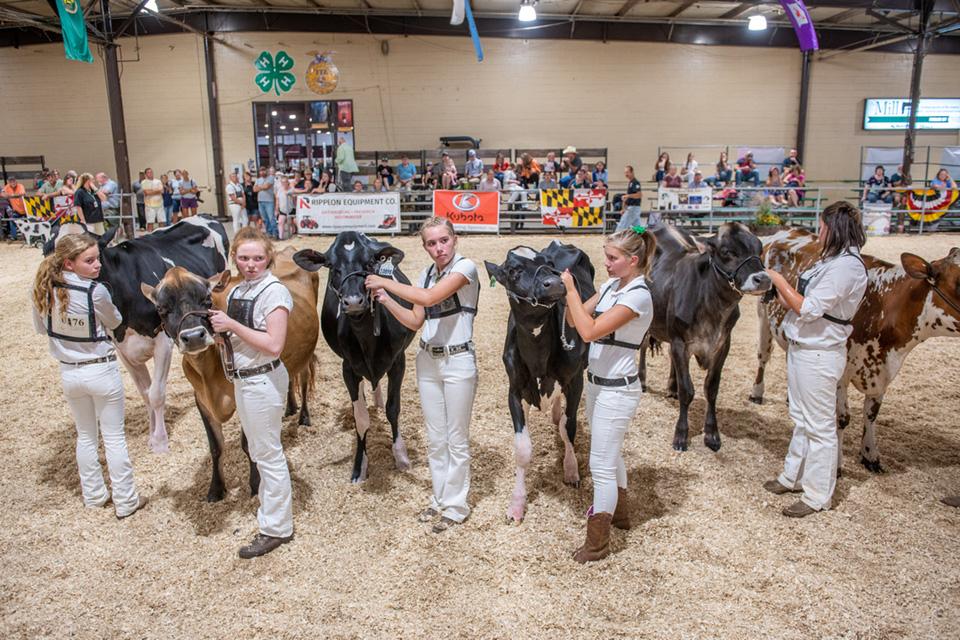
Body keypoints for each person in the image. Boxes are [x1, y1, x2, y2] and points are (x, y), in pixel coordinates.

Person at [364, 217, 479, 534]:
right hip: (428, 359)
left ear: (454, 239)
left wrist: (384, 282)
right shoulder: (427, 274)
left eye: (443, 240)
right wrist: (386, 301)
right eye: (431, 243)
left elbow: (428, 299)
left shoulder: (465, 268)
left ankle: (456, 506)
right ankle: (440, 498)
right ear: (424, 246)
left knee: (456, 438)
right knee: (435, 437)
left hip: (458, 360)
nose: (438, 248)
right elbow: (415, 321)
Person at [763, 202, 869, 518]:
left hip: (819, 353)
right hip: (802, 346)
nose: (819, 231)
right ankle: (792, 477)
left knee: (820, 426)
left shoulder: (847, 267)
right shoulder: (830, 261)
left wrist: (778, 279)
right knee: (801, 416)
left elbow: (809, 308)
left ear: (834, 229)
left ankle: (817, 495)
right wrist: (772, 286)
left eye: (822, 226)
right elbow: (796, 301)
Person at [32, 233, 147, 519]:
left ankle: (94, 495)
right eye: (90, 260)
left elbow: (41, 328)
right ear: (69, 263)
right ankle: (126, 500)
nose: (97, 265)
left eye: (97, 259)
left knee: (85, 435)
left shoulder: (42, 290)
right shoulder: (95, 292)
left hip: (69, 372)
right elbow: (116, 321)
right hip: (100, 369)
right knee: (114, 437)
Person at [559, 227, 656, 562]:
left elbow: (587, 331)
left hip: (619, 389)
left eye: (613, 258)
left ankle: (598, 543)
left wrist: (571, 289)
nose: (607, 263)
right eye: (605, 255)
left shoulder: (639, 295)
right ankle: (622, 515)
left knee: (600, 462)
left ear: (633, 260)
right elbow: (573, 318)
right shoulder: (611, 286)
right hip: (597, 383)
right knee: (610, 453)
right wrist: (574, 298)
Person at [209, 228, 295, 558]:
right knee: (259, 451)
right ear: (234, 258)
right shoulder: (240, 290)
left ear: (269, 258)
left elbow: (274, 345)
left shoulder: (274, 292)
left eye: (258, 258)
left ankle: (277, 528)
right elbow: (243, 337)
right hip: (244, 379)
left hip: (264, 380)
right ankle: (272, 517)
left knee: (268, 454)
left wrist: (231, 326)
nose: (251, 264)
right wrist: (220, 338)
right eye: (243, 258)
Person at [254, 166, 279, 239]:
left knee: (271, 218)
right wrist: (262, 187)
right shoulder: (258, 179)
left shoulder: (271, 178)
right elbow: (254, 189)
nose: (262, 172)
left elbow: (267, 187)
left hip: (269, 201)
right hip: (260, 201)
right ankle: (269, 233)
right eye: (261, 171)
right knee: (264, 218)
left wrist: (259, 187)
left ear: (266, 171)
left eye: (263, 170)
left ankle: (275, 233)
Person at [617, 165, 643, 231]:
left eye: (627, 172)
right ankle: (645, 238)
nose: (626, 174)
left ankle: (615, 239)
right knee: (638, 227)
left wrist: (627, 196)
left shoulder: (635, 182)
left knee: (622, 225)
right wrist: (624, 208)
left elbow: (639, 195)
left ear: (632, 172)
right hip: (634, 208)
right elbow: (629, 198)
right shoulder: (631, 183)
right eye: (625, 172)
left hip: (633, 208)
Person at [141, 168, 164, 232]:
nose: (150, 173)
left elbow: (161, 191)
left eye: (151, 172)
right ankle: (149, 235)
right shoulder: (144, 182)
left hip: (159, 204)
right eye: (148, 172)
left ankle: (162, 235)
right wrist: (157, 190)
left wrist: (151, 190)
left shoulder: (158, 181)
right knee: (150, 222)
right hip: (149, 205)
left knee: (161, 221)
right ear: (145, 174)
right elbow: (147, 192)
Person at [275, 173, 294, 240]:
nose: (284, 183)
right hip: (282, 209)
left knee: (291, 223)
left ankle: (293, 235)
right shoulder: (279, 190)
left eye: (285, 182)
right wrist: (276, 209)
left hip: (291, 209)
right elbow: (277, 200)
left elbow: (294, 197)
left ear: (287, 182)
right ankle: (281, 237)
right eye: (282, 182)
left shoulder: (291, 189)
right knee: (280, 222)